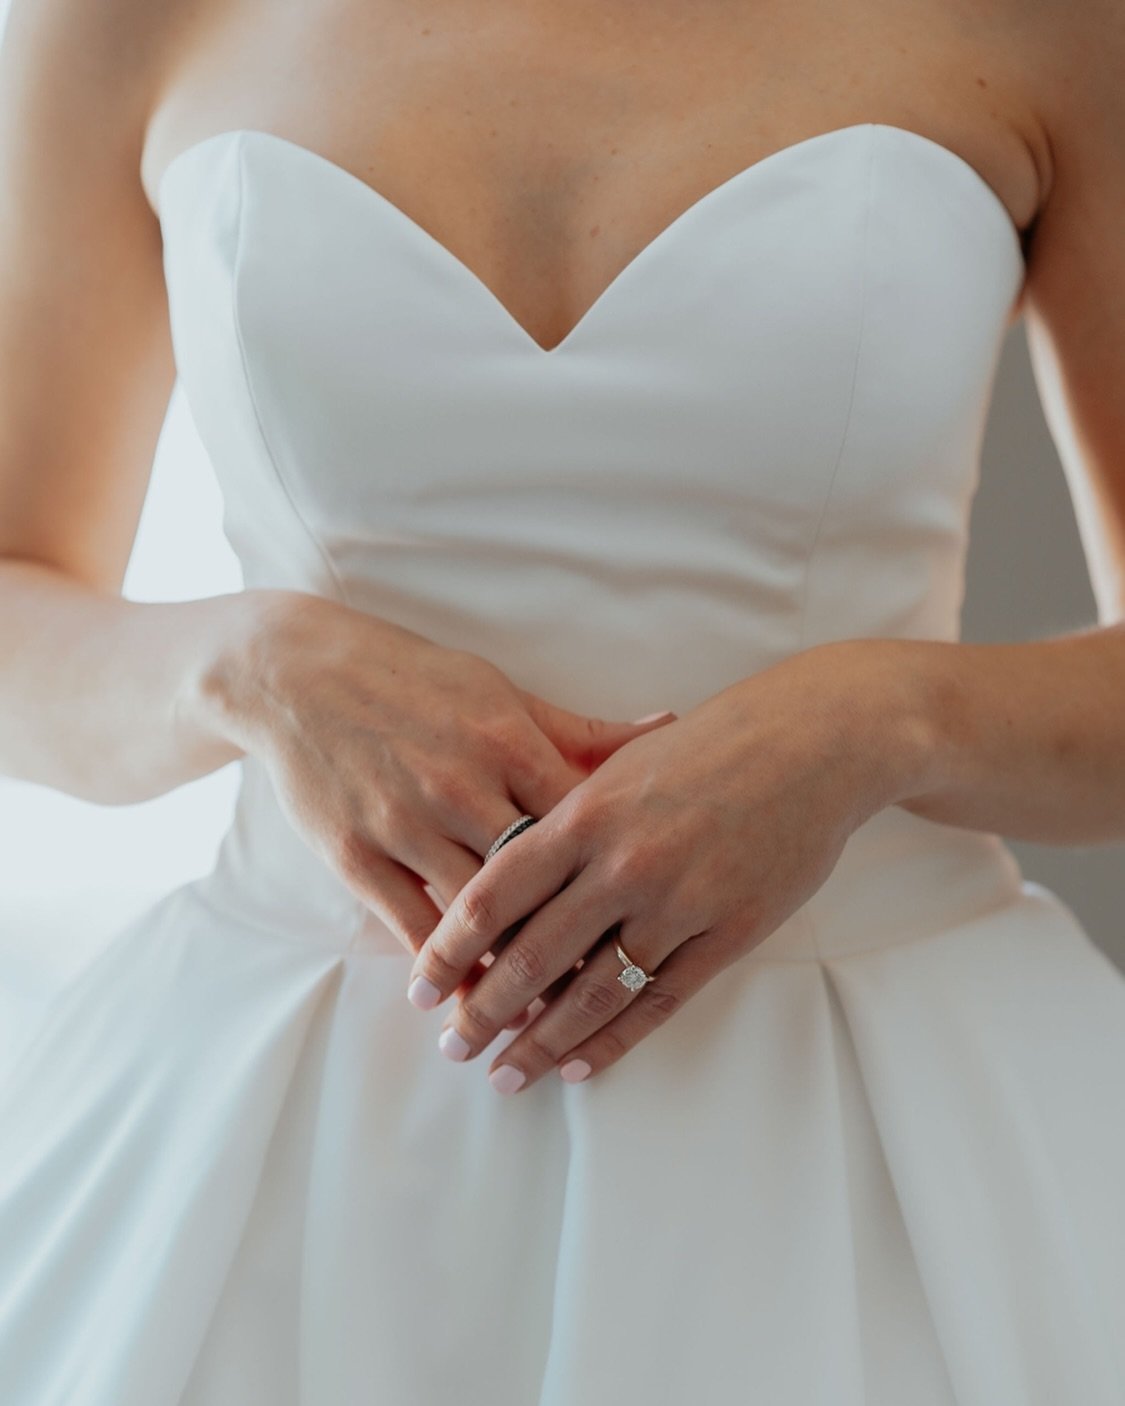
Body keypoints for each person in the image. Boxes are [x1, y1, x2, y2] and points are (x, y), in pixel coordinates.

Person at [0, 0, 1123, 1400]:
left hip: (886, 1116)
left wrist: (877, 720)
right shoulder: (118, 18)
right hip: (277, 1133)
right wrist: (251, 666)